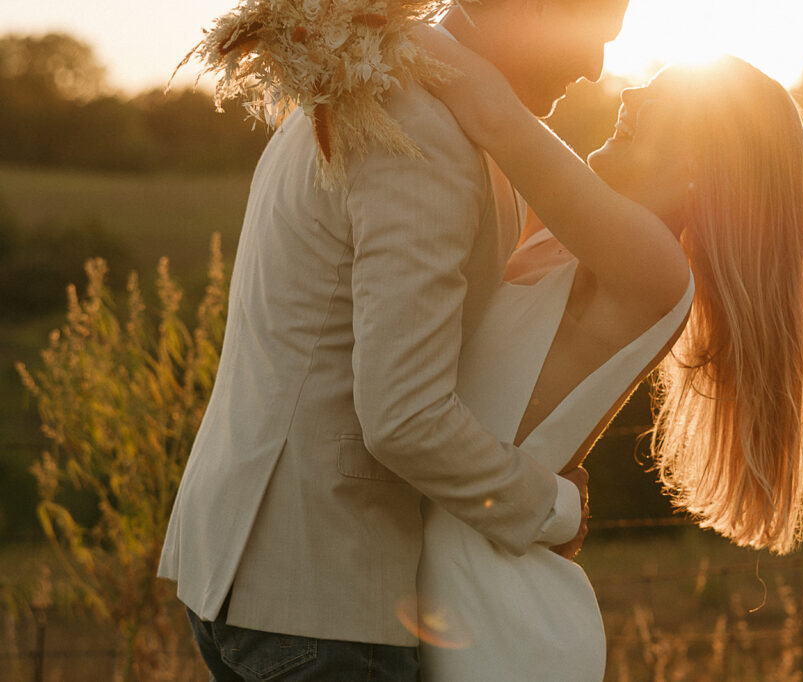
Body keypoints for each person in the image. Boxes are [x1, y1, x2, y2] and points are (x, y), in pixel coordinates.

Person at [158, 1, 629, 679]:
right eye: (591, 37)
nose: (595, 67)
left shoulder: (373, 87)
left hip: (257, 575)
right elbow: (404, 416)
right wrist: (553, 507)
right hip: (325, 597)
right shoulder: (420, 132)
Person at [410, 28, 803, 680]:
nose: (633, 93)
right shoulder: (557, 238)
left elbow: (492, 111)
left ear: (707, 166)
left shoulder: (651, 266)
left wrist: (376, 23)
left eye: (671, 99)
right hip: (463, 591)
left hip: (502, 630)